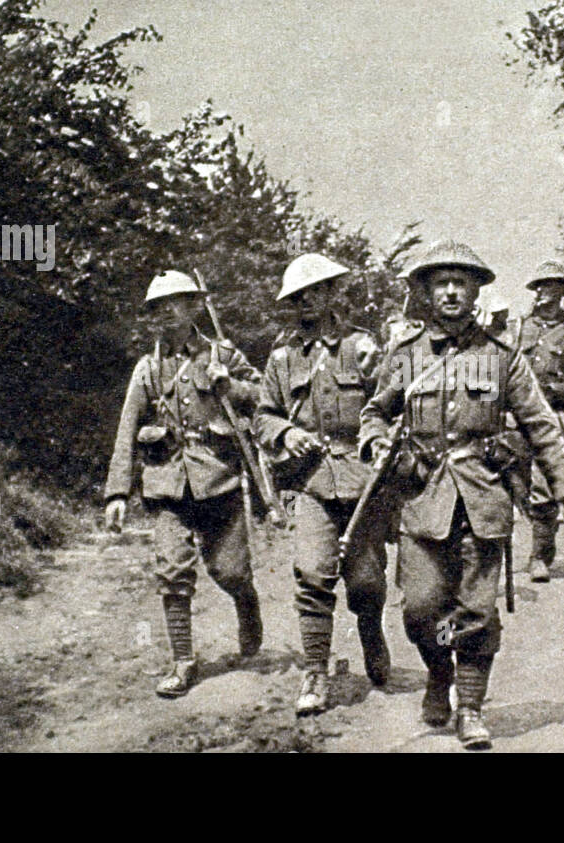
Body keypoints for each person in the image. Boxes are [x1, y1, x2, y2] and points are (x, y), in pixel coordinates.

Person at [359, 239, 564, 749]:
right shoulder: (406, 355)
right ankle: (439, 672)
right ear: (425, 292)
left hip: (482, 496)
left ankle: (471, 707)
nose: (452, 292)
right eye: (441, 283)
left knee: (477, 611)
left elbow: (540, 422)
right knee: (421, 611)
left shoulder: (502, 357)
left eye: (462, 282)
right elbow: (375, 411)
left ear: (477, 290)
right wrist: (376, 442)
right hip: (421, 496)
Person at [104, 270, 264, 697]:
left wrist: (230, 385)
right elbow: (127, 429)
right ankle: (182, 660)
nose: (167, 311)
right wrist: (118, 493)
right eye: (158, 306)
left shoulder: (222, 354)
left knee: (229, 571)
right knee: (172, 571)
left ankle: (246, 602)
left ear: (196, 306)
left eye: (177, 301)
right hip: (166, 483)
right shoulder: (148, 368)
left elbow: (266, 396)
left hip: (219, 478)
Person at [253, 253, 389, 716]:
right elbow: (263, 416)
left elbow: (392, 407)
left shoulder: (364, 349)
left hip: (363, 483)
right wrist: (286, 433)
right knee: (312, 574)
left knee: (367, 581)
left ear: (333, 293)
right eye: (297, 297)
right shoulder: (282, 359)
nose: (307, 302)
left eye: (316, 291)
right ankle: (315, 669)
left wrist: (379, 438)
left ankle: (371, 630)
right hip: (309, 483)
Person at [514, 261, 564, 582]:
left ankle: (539, 555)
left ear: (563, 291)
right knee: (515, 485)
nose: (546, 292)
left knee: (544, 487)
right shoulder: (520, 328)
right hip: (515, 420)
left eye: (553, 286)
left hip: (554, 420)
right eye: (541, 285)